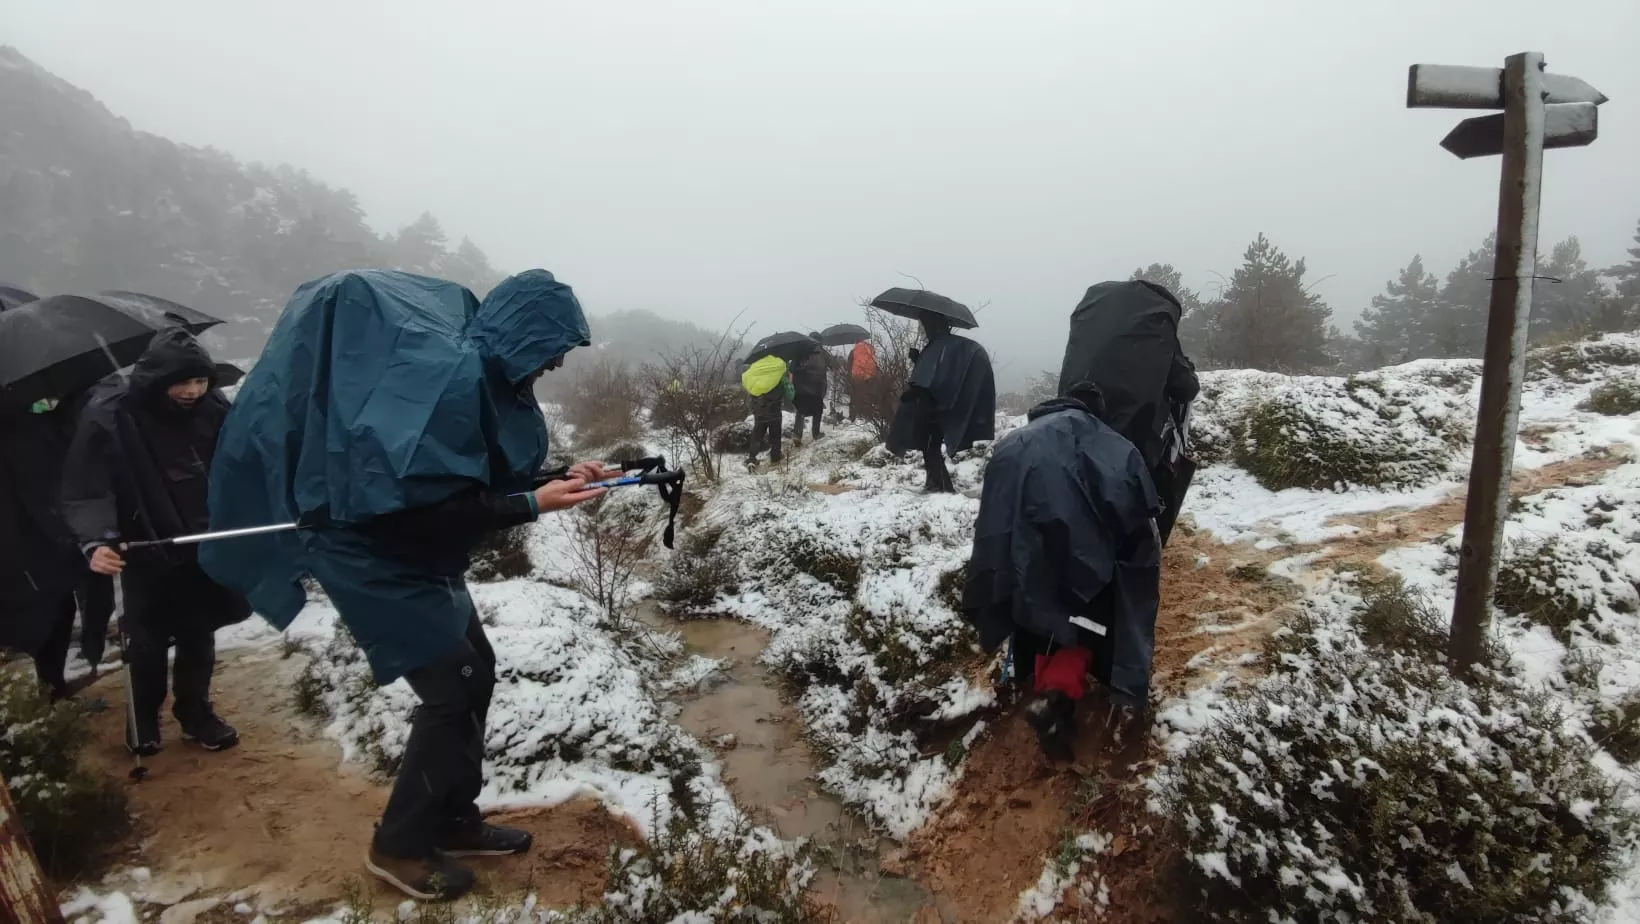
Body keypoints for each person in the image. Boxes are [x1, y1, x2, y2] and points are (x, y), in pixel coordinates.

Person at [201, 269, 610, 902]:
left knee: (479, 666)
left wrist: (559, 478)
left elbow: (471, 477)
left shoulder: (488, 377)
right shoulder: (448, 382)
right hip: (372, 555)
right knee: (452, 690)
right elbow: (416, 506)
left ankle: (453, 816)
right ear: (525, 333)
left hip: (422, 554)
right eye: (554, 345)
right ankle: (400, 845)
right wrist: (533, 505)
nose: (557, 361)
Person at [61, 328, 250, 754]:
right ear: (157, 380)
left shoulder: (214, 405)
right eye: (182, 382)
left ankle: (195, 713)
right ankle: (143, 720)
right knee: (145, 640)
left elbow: (243, 457)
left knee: (199, 630)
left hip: (205, 538)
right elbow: (89, 485)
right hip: (143, 545)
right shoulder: (112, 414)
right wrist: (97, 540)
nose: (192, 391)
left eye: (200, 381)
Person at [961, 382, 1162, 762]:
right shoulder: (1114, 446)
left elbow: (992, 515)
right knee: (1094, 621)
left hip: (1020, 561)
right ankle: (1056, 700)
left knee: (1040, 615)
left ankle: (1041, 685)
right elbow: (1138, 511)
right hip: (1082, 565)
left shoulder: (1012, 443)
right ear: (1096, 412)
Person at [1058, 279, 1199, 543]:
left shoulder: (1089, 331)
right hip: (1131, 439)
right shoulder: (1156, 331)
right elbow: (1186, 387)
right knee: (1127, 508)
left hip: (1072, 428)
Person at [1, 397, 86, 701]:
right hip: (26, 545)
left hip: (38, 542)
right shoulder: (25, 428)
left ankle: (51, 695)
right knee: (41, 617)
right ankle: (45, 699)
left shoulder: (28, 424)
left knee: (56, 610)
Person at [885, 315, 996, 493]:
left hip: (933, 405)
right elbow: (937, 370)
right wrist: (919, 359)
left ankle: (940, 485)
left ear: (932, 325)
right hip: (933, 403)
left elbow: (936, 377)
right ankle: (935, 482)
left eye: (924, 324)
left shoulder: (943, 345)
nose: (922, 328)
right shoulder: (944, 344)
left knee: (930, 445)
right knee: (930, 445)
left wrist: (916, 388)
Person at [791, 338, 829, 444]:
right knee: (818, 411)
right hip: (816, 388)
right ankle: (816, 434)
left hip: (800, 388)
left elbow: (792, 369)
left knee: (800, 411)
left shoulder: (799, 352)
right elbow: (830, 367)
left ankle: (797, 434)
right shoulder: (822, 354)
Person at [847, 339, 877, 422]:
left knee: (854, 397)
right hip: (869, 377)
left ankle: (852, 417)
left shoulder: (854, 351)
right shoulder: (870, 350)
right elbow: (874, 363)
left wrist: (849, 375)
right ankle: (868, 417)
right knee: (867, 396)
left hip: (856, 377)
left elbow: (849, 364)